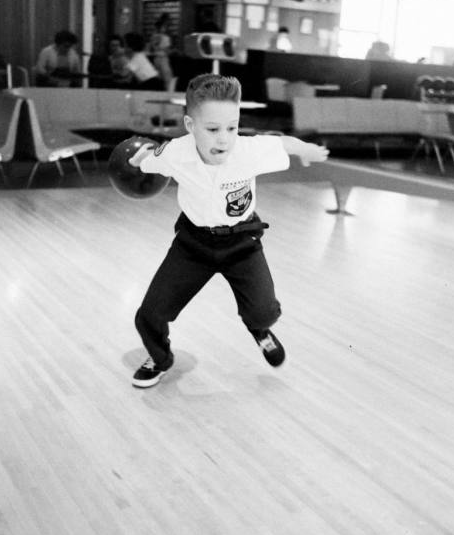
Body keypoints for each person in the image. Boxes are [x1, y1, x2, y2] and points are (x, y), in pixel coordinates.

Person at [127, 73, 329, 388]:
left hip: (242, 243)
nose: (224, 138)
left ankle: (259, 331)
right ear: (191, 127)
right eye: (212, 129)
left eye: (232, 128)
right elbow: (145, 160)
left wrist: (305, 149)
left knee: (263, 312)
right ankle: (161, 359)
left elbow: (283, 143)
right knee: (149, 314)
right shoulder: (175, 153)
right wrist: (135, 161)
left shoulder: (249, 151)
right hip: (193, 244)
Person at [147, 14, 174, 90]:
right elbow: (167, 50)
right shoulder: (166, 38)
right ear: (162, 28)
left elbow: (150, 49)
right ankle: (168, 93)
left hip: (155, 59)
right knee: (168, 79)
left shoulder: (153, 37)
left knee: (159, 78)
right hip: (163, 59)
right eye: (164, 27)